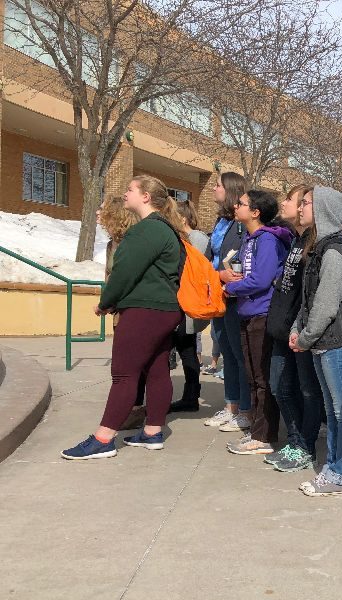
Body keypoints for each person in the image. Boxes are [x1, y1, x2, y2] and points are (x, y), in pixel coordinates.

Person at [62, 176, 185, 459]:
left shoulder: (146, 230)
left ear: (145, 197)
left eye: (130, 189)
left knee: (123, 374)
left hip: (145, 310)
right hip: (164, 309)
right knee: (156, 370)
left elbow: (123, 272)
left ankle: (103, 439)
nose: (125, 194)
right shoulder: (165, 228)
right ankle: (153, 432)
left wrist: (106, 302)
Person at [289, 186, 342, 496]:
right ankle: (334, 468)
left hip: (338, 343)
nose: (301, 207)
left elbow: (327, 305)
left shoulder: (333, 253)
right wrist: (298, 328)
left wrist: (305, 337)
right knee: (334, 411)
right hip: (325, 342)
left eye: (306, 203)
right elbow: (310, 301)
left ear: (323, 211)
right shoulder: (320, 249)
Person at [222, 190, 292, 455]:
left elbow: (261, 280)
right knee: (252, 376)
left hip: (262, 315)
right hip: (247, 313)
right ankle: (256, 429)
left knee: (262, 379)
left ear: (255, 212)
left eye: (241, 203)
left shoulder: (267, 240)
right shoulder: (249, 239)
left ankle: (264, 436)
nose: (236, 206)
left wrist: (230, 289)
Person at [264, 185, 324, 472]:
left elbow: (312, 297)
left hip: (298, 333)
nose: (291, 205)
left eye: (295, 200)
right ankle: (297, 439)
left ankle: (305, 446)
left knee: (305, 390)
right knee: (280, 387)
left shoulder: (316, 244)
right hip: (281, 330)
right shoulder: (297, 241)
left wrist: (301, 330)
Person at [204, 172, 252, 433]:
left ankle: (245, 410)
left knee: (238, 354)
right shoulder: (221, 222)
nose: (214, 188)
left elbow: (242, 261)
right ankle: (231, 406)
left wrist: (225, 277)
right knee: (226, 354)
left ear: (231, 191)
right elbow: (209, 257)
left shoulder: (242, 224)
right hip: (217, 293)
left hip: (235, 296)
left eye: (218, 185)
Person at [97, 196, 146, 430]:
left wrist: (109, 300)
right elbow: (110, 276)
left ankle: (135, 409)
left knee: (132, 364)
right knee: (125, 363)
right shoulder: (111, 245)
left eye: (104, 211)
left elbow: (124, 277)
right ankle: (131, 407)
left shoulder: (134, 242)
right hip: (118, 309)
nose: (99, 215)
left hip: (135, 309)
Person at [168, 199, 211, 413]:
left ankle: (191, 395)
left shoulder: (197, 239)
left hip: (189, 305)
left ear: (182, 218)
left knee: (186, 348)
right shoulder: (187, 238)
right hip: (182, 303)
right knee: (186, 349)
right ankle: (190, 395)